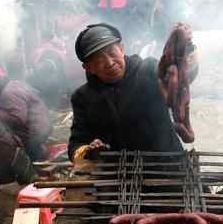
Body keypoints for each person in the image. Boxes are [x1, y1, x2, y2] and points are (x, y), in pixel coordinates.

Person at [67, 23, 198, 161]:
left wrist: (186, 49)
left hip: (168, 166)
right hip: (117, 175)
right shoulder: (82, 97)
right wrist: (89, 151)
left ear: (122, 49)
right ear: (88, 67)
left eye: (112, 53)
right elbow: (75, 144)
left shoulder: (148, 70)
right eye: (99, 60)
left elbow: (183, 77)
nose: (110, 63)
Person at [0, 67, 51, 161]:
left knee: (33, 160)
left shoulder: (9, 92)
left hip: (34, 133)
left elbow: (18, 118)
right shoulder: (13, 85)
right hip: (42, 127)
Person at [28, 30, 66, 109]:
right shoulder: (60, 50)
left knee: (46, 108)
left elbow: (33, 67)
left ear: (43, 38)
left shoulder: (38, 51)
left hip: (42, 86)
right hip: (57, 85)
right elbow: (63, 69)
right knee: (56, 108)